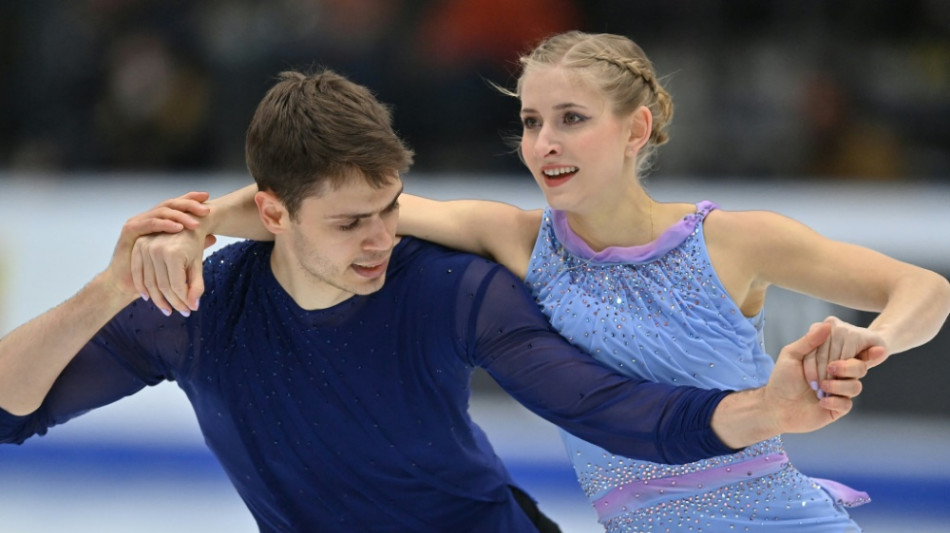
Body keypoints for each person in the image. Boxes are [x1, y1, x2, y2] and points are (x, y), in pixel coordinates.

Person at [0, 69, 874, 533]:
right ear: (272, 213)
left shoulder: (449, 288)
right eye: (350, 223)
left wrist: (764, 408)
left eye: (390, 208)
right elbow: (8, 411)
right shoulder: (195, 312)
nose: (382, 238)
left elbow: (609, 409)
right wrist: (109, 287)